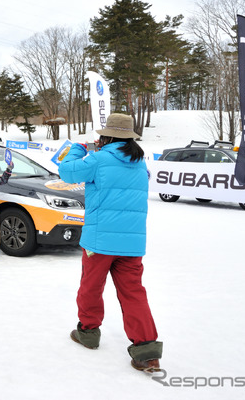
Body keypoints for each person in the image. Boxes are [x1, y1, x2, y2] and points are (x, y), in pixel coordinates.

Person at [58, 113, 163, 372]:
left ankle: (88, 333)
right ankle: (147, 351)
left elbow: (66, 171)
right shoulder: (139, 162)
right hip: (132, 243)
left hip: (99, 240)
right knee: (134, 294)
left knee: (91, 288)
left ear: (107, 137)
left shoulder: (99, 158)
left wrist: (76, 149)